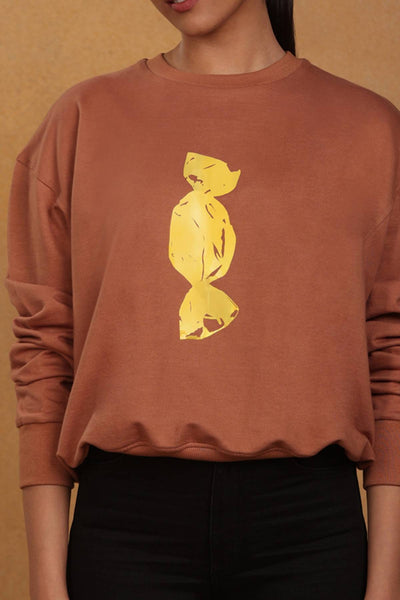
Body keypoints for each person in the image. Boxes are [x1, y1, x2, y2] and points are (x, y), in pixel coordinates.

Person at [4, 0, 400, 598]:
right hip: (125, 529)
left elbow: (391, 359)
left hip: (310, 532)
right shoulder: (83, 118)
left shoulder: (369, 129)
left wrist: (387, 583)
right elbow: (43, 351)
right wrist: (46, 583)